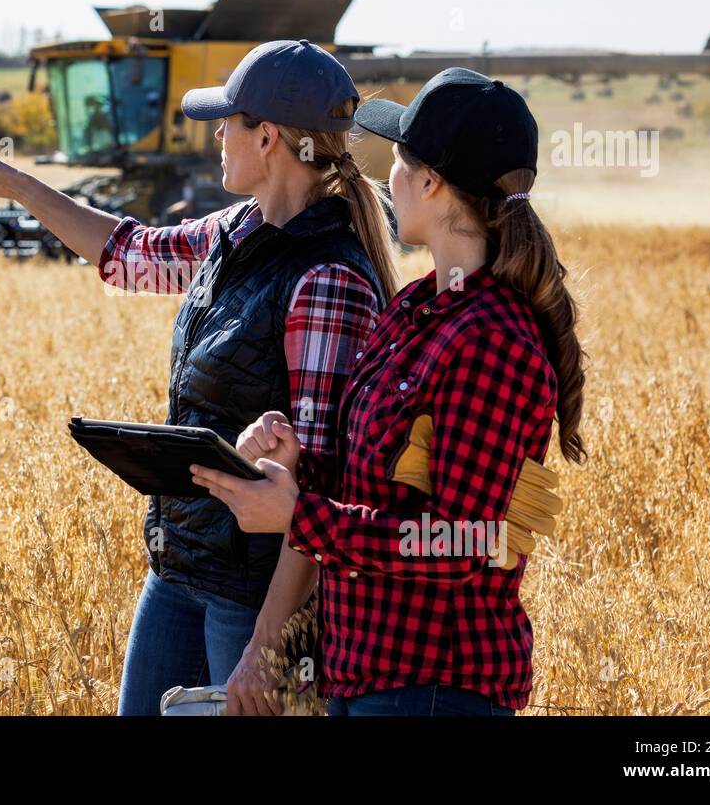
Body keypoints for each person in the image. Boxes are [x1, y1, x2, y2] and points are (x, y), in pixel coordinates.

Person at [0, 39, 400, 715]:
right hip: (179, 568)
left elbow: (321, 485)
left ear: (267, 137)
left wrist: (268, 650)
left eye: (228, 120)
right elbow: (128, 255)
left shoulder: (326, 279)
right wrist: (17, 185)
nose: (216, 135)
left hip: (255, 595)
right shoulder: (234, 231)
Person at [191, 67, 588, 715]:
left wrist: (297, 515)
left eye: (400, 162)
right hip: (362, 673)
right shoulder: (412, 309)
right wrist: (291, 464)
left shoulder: (492, 342)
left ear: (430, 181)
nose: (389, 178)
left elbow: (458, 541)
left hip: (435, 685)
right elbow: (368, 483)